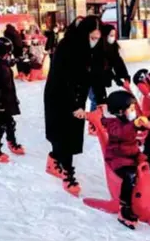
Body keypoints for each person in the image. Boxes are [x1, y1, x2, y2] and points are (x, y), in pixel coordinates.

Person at [44, 15, 107, 196]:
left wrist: (101, 99)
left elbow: (97, 75)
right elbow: (64, 80)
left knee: (71, 134)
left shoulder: (94, 50)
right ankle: (67, 173)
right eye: (92, 38)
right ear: (84, 34)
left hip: (78, 97)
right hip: (59, 96)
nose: (95, 42)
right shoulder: (67, 47)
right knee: (64, 134)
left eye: (97, 38)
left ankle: (54, 160)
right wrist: (73, 105)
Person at [102, 90, 150, 229]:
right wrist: (135, 125)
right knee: (131, 175)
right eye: (131, 109)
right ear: (120, 111)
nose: (134, 112)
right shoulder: (112, 123)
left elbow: (140, 121)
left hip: (133, 155)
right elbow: (122, 132)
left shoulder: (129, 119)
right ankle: (125, 208)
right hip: (118, 158)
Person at [88, 23, 130, 135]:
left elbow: (118, 63)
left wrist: (124, 76)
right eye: (110, 35)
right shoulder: (97, 48)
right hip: (92, 79)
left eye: (114, 35)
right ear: (105, 35)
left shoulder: (112, 48)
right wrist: (114, 77)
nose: (112, 37)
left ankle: (100, 122)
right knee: (96, 100)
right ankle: (93, 125)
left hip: (103, 79)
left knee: (102, 101)